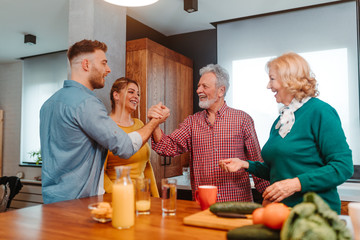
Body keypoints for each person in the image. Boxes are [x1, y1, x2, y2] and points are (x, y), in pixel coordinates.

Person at [219, 52, 353, 213]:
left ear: (290, 79)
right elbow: (279, 170)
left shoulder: (320, 111)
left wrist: (295, 184)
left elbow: (343, 167)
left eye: (272, 79)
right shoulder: (281, 121)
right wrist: (245, 164)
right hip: (282, 212)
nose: (268, 86)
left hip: (315, 214)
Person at [40, 39, 168, 204]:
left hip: (52, 201)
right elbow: (125, 147)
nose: (108, 70)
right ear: (86, 65)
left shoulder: (48, 104)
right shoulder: (87, 103)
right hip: (78, 204)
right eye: (103, 63)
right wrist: (154, 122)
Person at [148, 64, 269, 202]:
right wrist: (155, 123)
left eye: (205, 86)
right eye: (199, 86)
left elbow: (256, 160)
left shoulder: (242, 119)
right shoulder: (192, 122)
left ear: (221, 91)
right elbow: (167, 147)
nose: (199, 90)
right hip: (203, 205)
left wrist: (269, 196)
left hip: (237, 205)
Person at [104, 77, 159, 197]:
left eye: (138, 94)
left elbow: (147, 166)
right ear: (116, 95)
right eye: (131, 92)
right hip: (117, 197)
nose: (136, 97)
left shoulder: (139, 124)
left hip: (142, 197)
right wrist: (122, 196)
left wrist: (156, 198)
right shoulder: (105, 126)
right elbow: (101, 174)